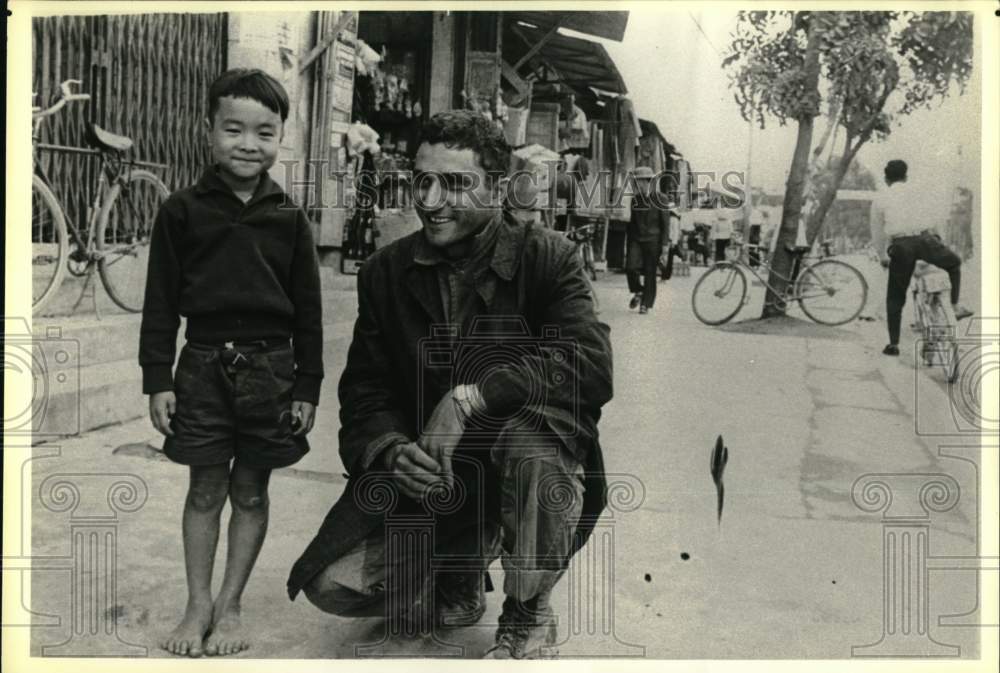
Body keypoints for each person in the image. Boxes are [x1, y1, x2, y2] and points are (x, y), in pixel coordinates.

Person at [288, 110, 613, 659]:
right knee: (332, 585)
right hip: (434, 481)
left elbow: (588, 363)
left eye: (457, 183)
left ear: (499, 189)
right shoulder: (385, 273)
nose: (433, 199)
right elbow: (365, 391)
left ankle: (529, 612)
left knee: (533, 452)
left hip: (524, 467)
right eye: (423, 180)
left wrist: (471, 398)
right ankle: (458, 574)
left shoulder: (549, 258)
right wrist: (390, 450)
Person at [139, 68, 324, 657]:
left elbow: (310, 314)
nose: (249, 144)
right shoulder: (181, 211)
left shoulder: (290, 218)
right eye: (234, 129)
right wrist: (157, 380)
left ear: (280, 138)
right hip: (201, 368)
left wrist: (308, 386)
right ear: (208, 131)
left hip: (272, 372)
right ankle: (197, 605)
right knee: (204, 490)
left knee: (250, 492)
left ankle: (232, 603)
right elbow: (161, 303)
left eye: (264, 132)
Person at [869, 159, 973, 356]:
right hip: (925, 240)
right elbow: (934, 218)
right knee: (954, 263)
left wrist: (883, 255)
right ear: (906, 177)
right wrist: (938, 240)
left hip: (901, 246)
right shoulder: (918, 193)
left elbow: (878, 233)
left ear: (886, 178)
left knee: (895, 297)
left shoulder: (880, 198)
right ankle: (955, 305)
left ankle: (894, 344)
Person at [625, 166, 670, 314]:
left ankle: (646, 303)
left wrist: (664, 246)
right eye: (637, 182)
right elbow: (632, 224)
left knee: (650, 273)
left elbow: (665, 223)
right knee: (631, 268)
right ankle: (638, 291)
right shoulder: (635, 200)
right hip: (636, 239)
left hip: (653, 241)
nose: (639, 185)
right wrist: (628, 244)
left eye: (642, 182)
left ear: (649, 182)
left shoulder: (661, 199)